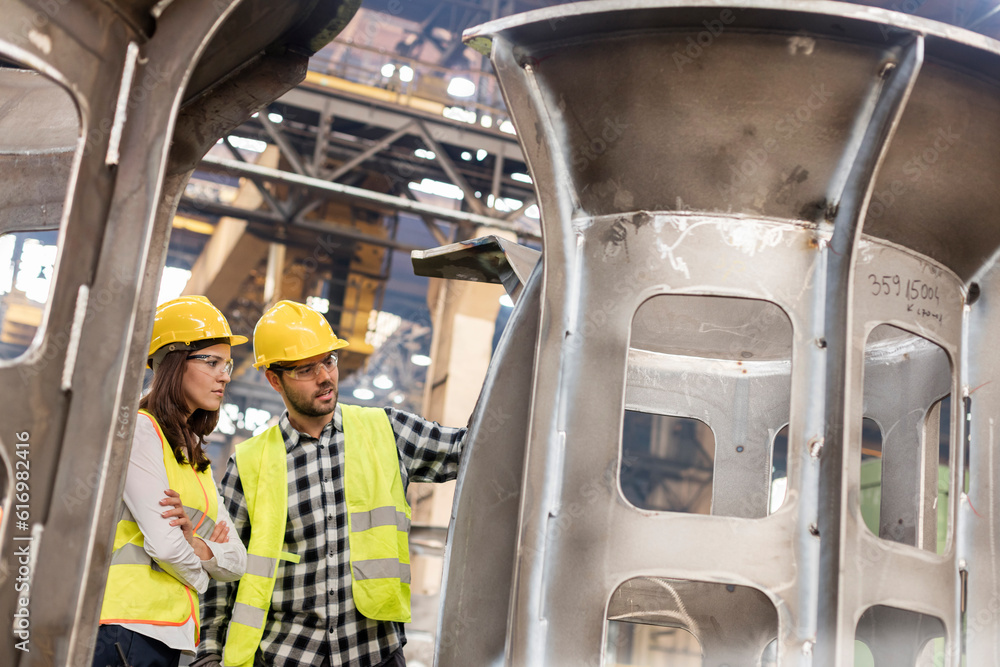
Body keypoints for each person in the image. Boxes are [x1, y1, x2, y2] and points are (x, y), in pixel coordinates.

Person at [196, 300, 468, 667]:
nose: (325, 376)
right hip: (287, 655)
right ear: (274, 379)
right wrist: (209, 653)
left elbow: (475, 449)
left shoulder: (388, 431)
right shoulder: (248, 464)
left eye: (329, 361)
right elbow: (222, 571)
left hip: (373, 653)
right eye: (307, 369)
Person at [93, 296, 249, 667]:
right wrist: (203, 576)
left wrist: (194, 542)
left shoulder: (191, 453)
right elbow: (164, 546)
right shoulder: (141, 432)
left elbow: (239, 560)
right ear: (173, 364)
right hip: (122, 626)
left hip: (161, 632)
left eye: (226, 364)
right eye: (211, 362)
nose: (224, 375)